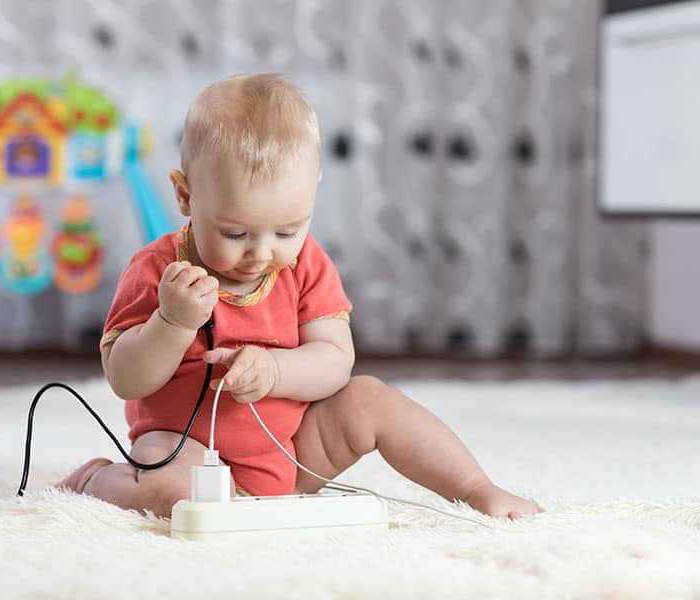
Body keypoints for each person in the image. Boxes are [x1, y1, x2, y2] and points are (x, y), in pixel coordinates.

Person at [57, 73, 542, 520]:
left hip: (289, 452)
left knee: (371, 398)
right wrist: (172, 322)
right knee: (171, 492)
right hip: (184, 451)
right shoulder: (160, 270)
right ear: (186, 196)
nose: (261, 254)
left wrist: (275, 372)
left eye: (287, 230)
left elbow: (335, 360)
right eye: (235, 232)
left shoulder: (305, 263)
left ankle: (477, 489)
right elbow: (125, 378)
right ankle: (97, 480)